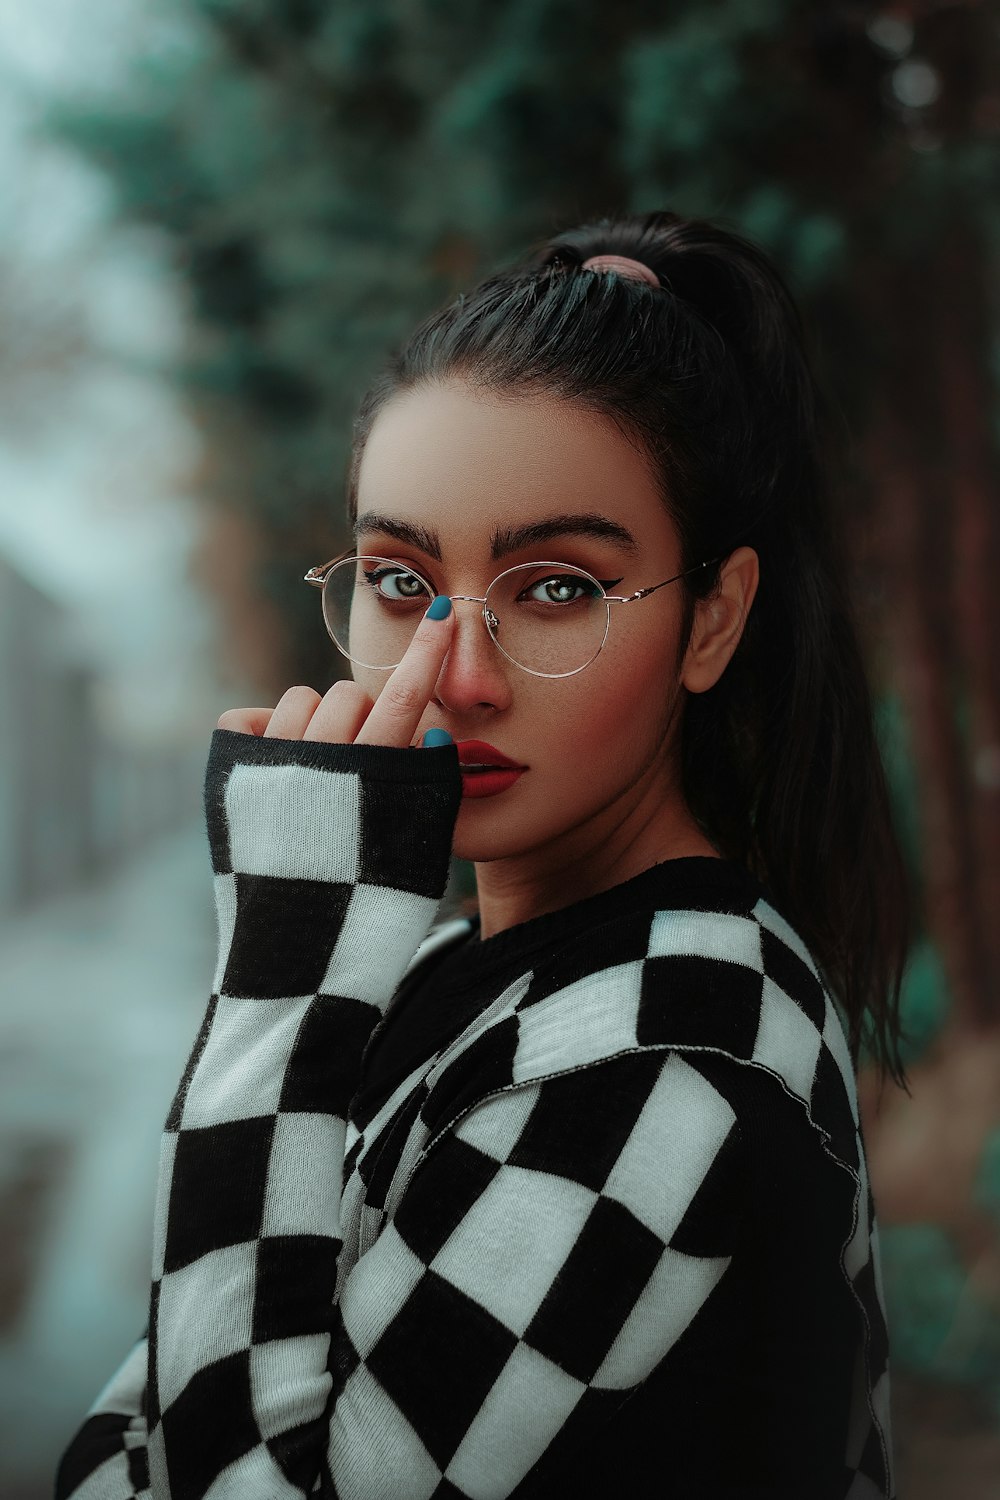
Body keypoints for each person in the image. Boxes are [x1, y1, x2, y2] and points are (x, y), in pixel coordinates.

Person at [55, 209, 911, 1499]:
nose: (455, 679)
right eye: (401, 583)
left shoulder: (680, 1041)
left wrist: (282, 974)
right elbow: (132, 1430)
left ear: (713, 619)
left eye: (555, 585)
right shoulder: (440, 963)